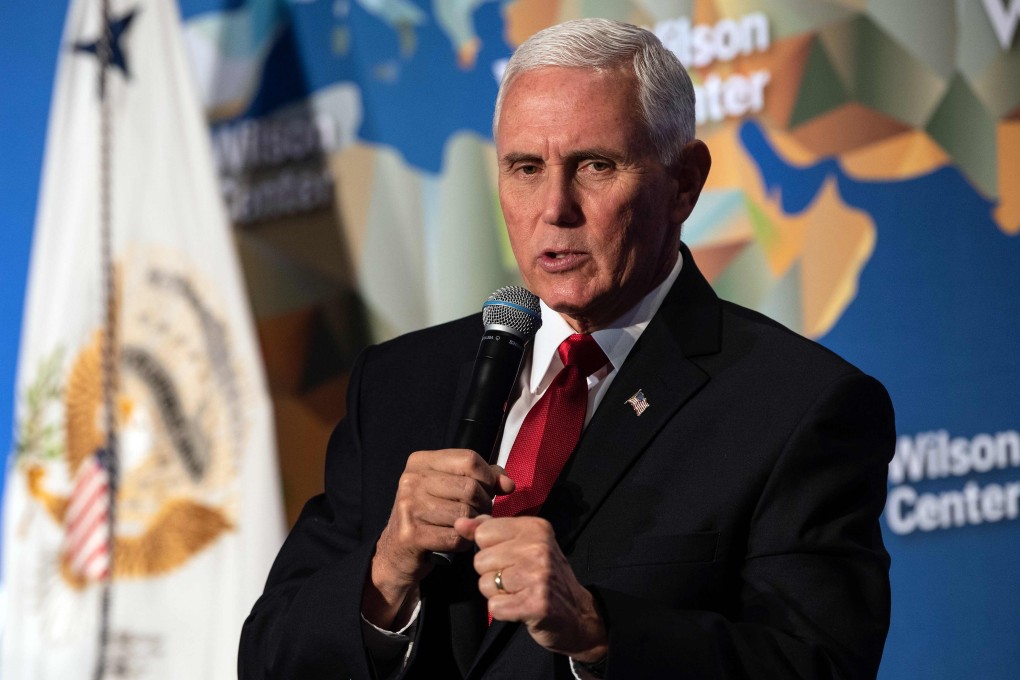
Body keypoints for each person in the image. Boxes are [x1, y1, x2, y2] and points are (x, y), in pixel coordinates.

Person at [239, 18, 894, 680]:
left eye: (595, 166)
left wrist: (600, 631)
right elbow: (268, 660)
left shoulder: (795, 405)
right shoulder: (397, 384)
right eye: (526, 167)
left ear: (685, 183)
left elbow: (820, 666)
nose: (555, 207)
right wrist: (386, 573)